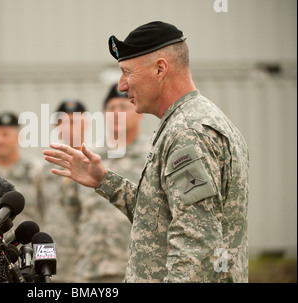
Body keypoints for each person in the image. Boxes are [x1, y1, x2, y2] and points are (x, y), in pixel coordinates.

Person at [43, 21, 249, 283]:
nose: (122, 85)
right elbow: (161, 218)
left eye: (127, 72)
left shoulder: (188, 132)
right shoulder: (189, 122)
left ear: (160, 69)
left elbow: (196, 243)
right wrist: (105, 181)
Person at [75, 83, 147, 282]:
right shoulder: (89, 159)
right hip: (90, 270)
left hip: (136, 269)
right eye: (111, 108)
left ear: (139, 112)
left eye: (123, 107)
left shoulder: (152, 155)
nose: (116, 113)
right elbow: (74, 213)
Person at [38, 99, 87, 282]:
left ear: (86, 124)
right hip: (53, 262)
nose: (68, 128)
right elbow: (43, 213)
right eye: (62, 123)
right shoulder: (45, 170)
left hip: (85, 263)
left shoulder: (96, 167)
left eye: (73, 122)